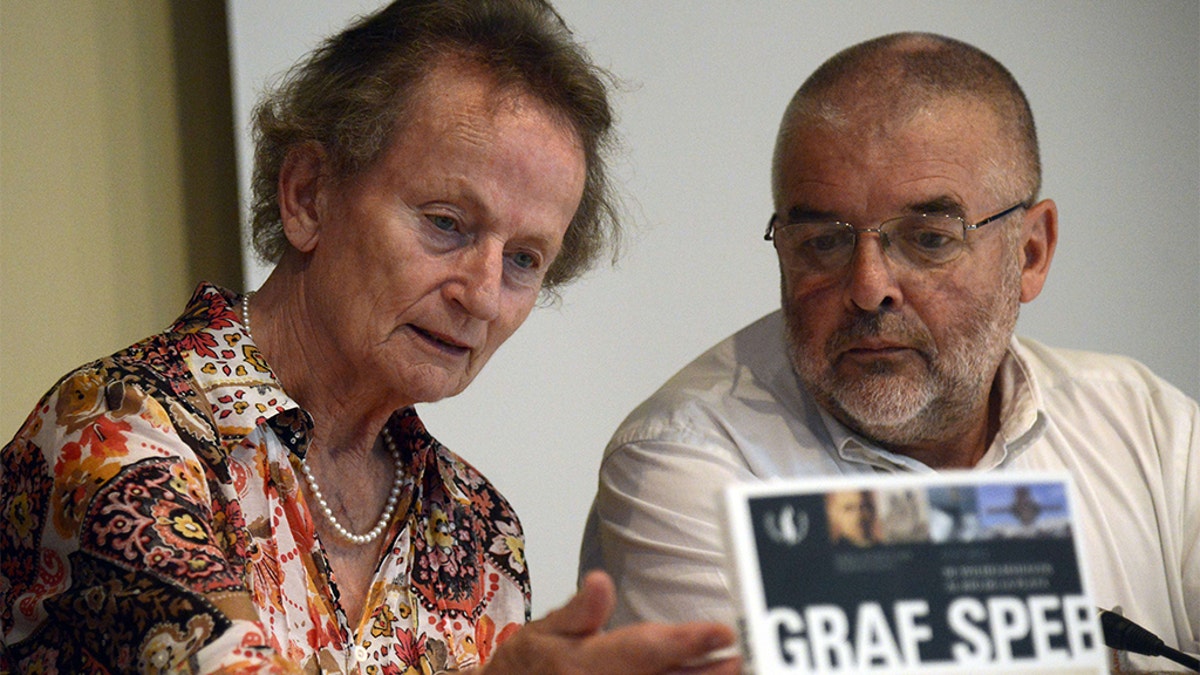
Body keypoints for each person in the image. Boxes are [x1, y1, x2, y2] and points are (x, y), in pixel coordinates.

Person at [0, 1, 738, 673]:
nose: (482, 294)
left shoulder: (477, 529)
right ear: (308, 195)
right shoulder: (115, 431)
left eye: (523, 260)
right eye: (446, 223)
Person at [579, 32, 1198, 672]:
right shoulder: (687, 461)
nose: (870, 288)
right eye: (823, 241)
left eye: (929, 239)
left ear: (1030, 253)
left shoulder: (1153, 432)